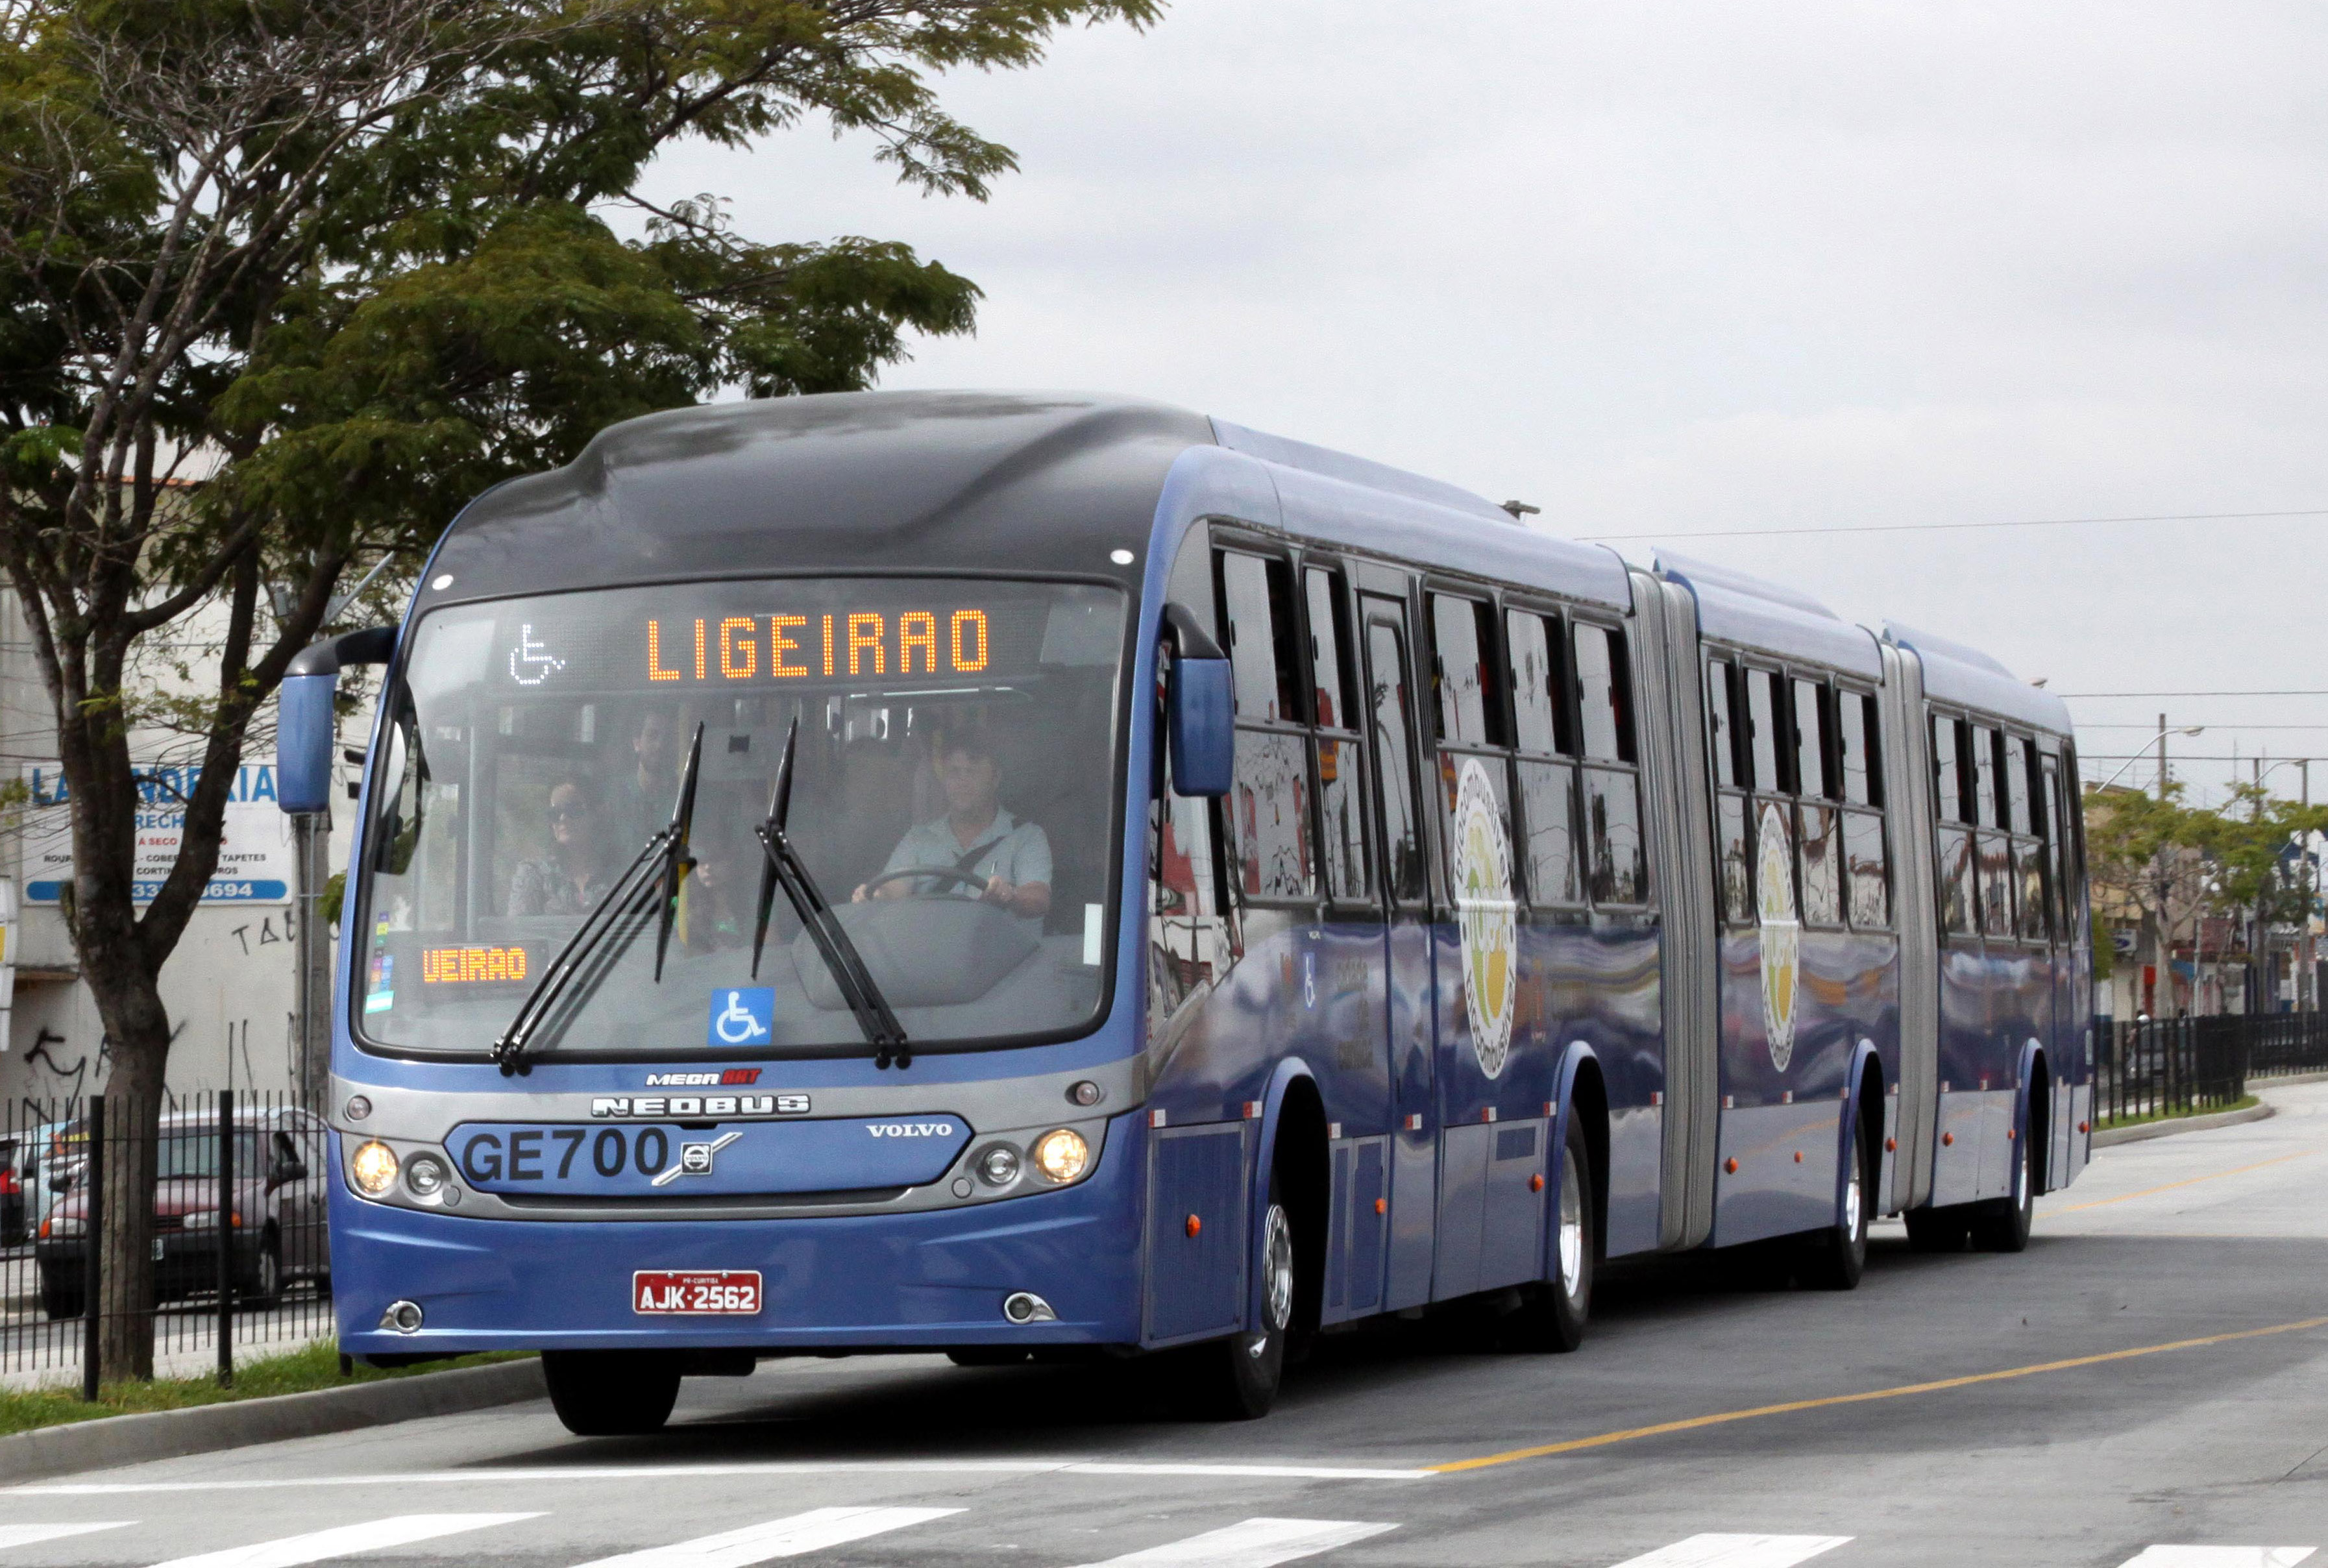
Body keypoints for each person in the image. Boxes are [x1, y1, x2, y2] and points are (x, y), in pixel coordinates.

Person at [854, 731, 1051, 925]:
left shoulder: (1027, 837)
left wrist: (1010, 895)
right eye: (954, 772)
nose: (962, 782)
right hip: (928, 952)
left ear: (995, 778)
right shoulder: (918, 838)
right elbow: (893, 890)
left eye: (972, 772)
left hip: (1005, 955)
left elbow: (1037, 898)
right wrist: (873, 896)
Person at [508, 776, 618, 916]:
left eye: (573, 810)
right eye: (555, 813)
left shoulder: (621, 875)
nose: (563, 819)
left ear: (595, 815)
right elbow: (519, 933)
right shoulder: (533, 875)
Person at [607, 708, 678, 850]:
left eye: (667, 738)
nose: (660, 745)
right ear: (637, 743)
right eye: (652, 736)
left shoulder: (685, 794)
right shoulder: (612, 796)